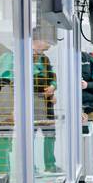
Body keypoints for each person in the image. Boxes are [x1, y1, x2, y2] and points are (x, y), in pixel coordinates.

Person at [32, 27, 62, 174]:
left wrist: (52, 87)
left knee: (50, 134)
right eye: (47, 41)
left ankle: (50, 165)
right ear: (37, 40)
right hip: (32, 103)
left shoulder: (44, 58)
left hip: (47, 102)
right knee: (30, 135)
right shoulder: (24, 56)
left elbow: (53, 76)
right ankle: (30, 168)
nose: (49, 45)